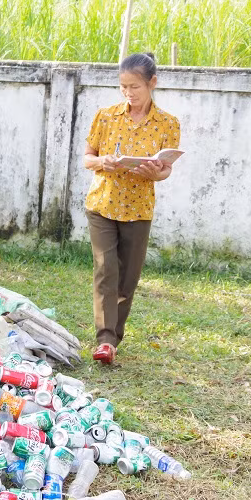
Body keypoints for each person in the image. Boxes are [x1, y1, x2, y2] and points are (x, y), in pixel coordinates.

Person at [83, 53, 180, 365]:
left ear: (152, 83)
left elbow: (166, 170)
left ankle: (114, 337)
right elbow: (87, 158)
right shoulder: (106, 116)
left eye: (135, 86)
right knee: (106, 269)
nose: (128, 93)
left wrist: (155, 173)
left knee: (127, 279)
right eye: (123, 86)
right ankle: (105, 340)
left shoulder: (168, 124)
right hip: (102, 204)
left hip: (138, 210)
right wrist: (103, 161)